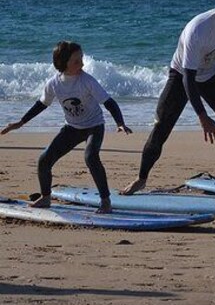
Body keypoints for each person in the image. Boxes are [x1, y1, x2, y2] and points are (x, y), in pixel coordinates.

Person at [121, 0, 215, 198]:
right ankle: (141, 178)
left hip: (210, 75)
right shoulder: (199, 29)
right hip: (182, 74)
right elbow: (188, 79)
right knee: (161, 126)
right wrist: (202, 117)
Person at [1, 41, 132, 213]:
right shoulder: (54, 84)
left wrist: (120, 123)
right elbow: (41, 104)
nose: (82, 64)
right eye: (77, 61)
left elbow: (109, 102)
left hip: (94, 125)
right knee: (44, 160)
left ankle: (105, 201)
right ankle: (46, 197)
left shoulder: (87, 81)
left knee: (91, 157)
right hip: (72, 128)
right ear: (63, 63)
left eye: (82, 59)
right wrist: (21, 122)